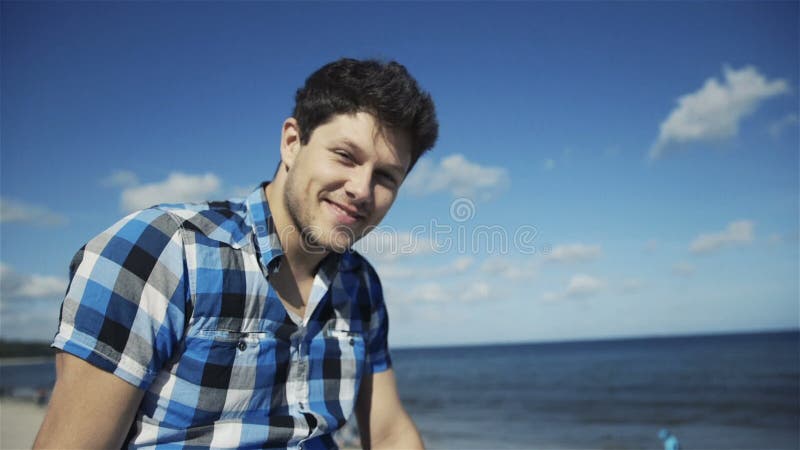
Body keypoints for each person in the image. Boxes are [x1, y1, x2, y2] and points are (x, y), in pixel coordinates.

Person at [34, 58, 438, 449]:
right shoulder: (161, 251)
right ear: (293, 142)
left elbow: (388, 434)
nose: (362, 190)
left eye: (386, 176)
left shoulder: (359, 284)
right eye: (345, 156)